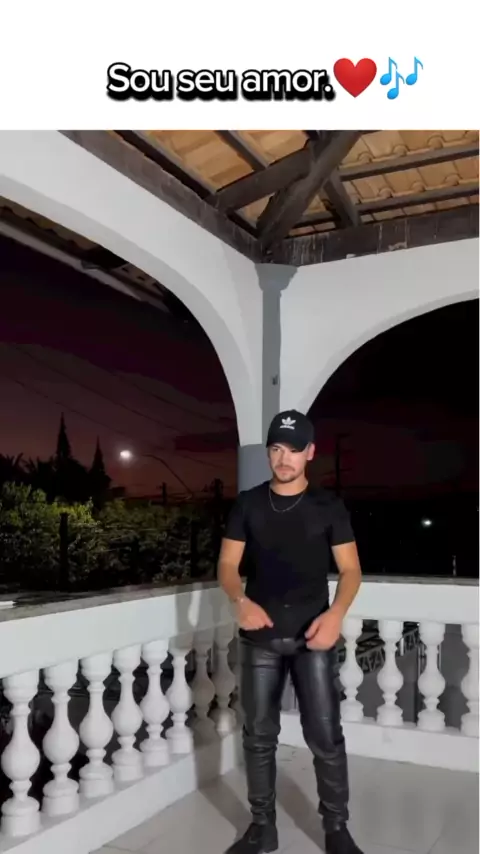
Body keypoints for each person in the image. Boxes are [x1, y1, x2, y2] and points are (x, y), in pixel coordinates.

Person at [218, 410, 364, 854]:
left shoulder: (328, 506)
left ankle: (336, 829)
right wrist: (239, 601)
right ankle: (262, 828)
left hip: (313, 637)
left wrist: (336, 614)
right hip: (259, 637)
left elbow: (351, 570)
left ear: (310, 453)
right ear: (269, 452)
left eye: (294, 450)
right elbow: (227, 565)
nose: (284, 459)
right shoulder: (248, 503)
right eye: (277, 449)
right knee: (258, 738)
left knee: (325, 737)